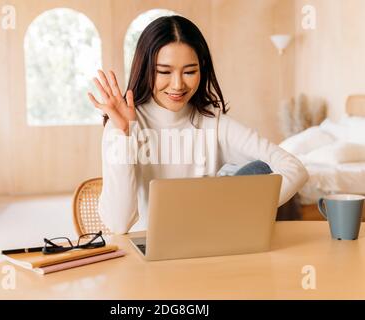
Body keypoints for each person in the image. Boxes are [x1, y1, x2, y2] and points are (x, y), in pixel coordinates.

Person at [88, 15, 308, 234]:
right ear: (146, 70)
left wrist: (234, 210)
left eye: (190, 71)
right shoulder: (122, 125)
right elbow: (119, 223)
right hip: (145, 258)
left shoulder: (214, 123)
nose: (177, 85)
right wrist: (124, 135)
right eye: (164, 72)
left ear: (202, 69)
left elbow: (294, 168)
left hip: (204, 249)